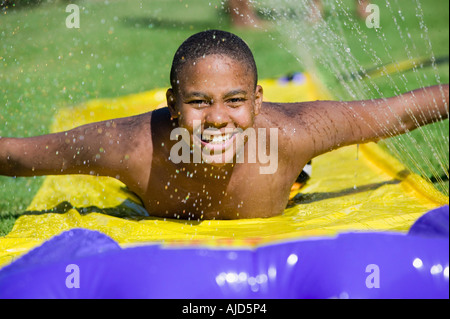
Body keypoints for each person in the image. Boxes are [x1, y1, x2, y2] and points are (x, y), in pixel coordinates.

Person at [0, 30, 448, 220]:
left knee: (291, 174)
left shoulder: (295, 133)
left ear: (257, 102)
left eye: (234, 101)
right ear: (172, 105)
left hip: (283, 173)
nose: (217, 118)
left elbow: (398, 112)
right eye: (198, 102)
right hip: (148, 188)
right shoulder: (128, 147)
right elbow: (19, 155)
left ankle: (298, 179)